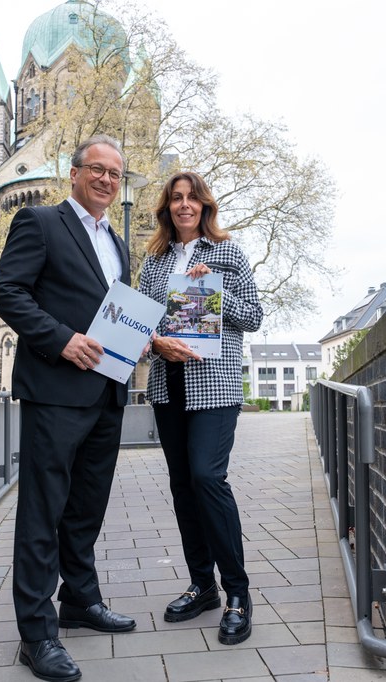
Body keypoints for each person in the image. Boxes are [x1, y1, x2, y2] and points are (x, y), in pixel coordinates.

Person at [0, 134, 136, 682]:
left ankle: (80, 599)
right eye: (96, 170)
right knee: (42, 512)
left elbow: (111, 310)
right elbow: (8, 292)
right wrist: (61, 339)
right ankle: (36, 632)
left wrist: (135, 336)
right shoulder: (41, 222)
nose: (105, 180)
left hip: (107, 392)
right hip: (54, 390)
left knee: (85, 509)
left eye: (114, 174)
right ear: (74, 174)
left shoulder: (116, 242)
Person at [139, 171, 263, 645]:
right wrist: (154, 342)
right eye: (176, 198)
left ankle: (238, 593)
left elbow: (252, 315)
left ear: (205, 206)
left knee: (208, 478)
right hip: (169, 386)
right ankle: (202, 586)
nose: (184, 205)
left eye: (192, 198)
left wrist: (214, 289)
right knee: (182, 486)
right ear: (167, 207)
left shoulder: (227, 252)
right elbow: (142, 324)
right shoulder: (153, 261)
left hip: (214, 385)